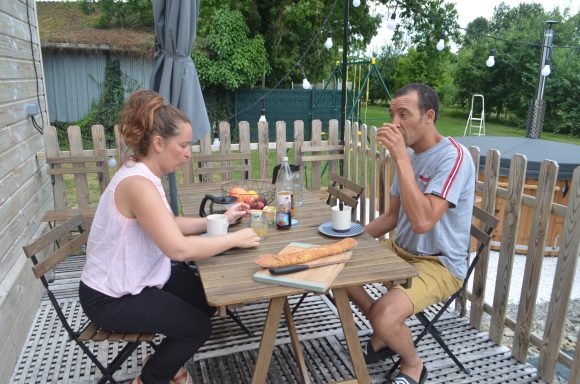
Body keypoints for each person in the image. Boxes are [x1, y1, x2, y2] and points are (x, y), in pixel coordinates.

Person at [79, 89, 260, 384]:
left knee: (207, 297)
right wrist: (235, 239)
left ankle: (164, 361)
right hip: (111, 297)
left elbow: (170, 223)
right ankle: (151, 378)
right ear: (159, 143)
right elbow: (178, 249)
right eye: (184, 145)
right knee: (197, 327)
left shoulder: (144, 174)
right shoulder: (137, 183)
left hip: (139, 277)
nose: (188, 153)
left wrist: (220, 220)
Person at [346, 83, 475, 384]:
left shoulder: (454, 157)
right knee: (337, 269)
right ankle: (383, 332)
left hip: (438, 264)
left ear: (429, 116)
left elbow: (423, 221)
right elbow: (392, 217)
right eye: (392, 114)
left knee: (384, 315)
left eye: (403, 114)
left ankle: (413, 364)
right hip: (399, 249)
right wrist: (349, 241)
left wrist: (401, 159)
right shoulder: (410, 155)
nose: (394, 123)